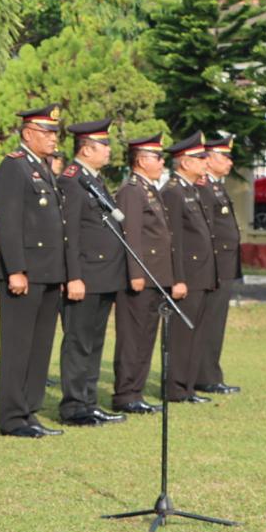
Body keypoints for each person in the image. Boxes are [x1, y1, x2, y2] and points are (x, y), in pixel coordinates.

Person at [0, 105, 66, 438]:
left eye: (55, 133)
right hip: (26, 272)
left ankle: (30, 411)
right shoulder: (14, 167)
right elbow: (9, 224)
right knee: (18, 347)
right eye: (47, 132)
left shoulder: (43, 168)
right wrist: (16, 270)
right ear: (27, 133)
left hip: (50, 271)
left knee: (40, 348)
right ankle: (11, 417)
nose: (54, 138)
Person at [56, 120, 127, 427]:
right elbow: (69, 233)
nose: (110, 150)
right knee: (78, 342)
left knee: (94, 342)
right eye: (104, 145)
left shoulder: (93, 180)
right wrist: (74, 276)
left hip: (104, 276)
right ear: (86, 148)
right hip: (84, 276)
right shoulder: (72, 180)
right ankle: (74, 406)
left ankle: (89, 401)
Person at [111, 133, 175, 415]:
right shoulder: (131, 190)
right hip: (141, 277)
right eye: (157, 157)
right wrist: (136, 273)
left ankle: (135, 391)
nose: (162, 162)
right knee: (133, 337)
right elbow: (131, 236)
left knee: (147, 335)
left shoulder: (150, 189)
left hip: (156, 277)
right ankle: (125, 393)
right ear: (141, 160)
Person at [160, 133, 216, 404]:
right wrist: (177, 278)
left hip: (202, 275)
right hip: (187, 276)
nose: (206, 161)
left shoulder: (192, 189)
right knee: (182, 335)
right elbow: (175, 241)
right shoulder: (172, 192)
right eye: (200, 157)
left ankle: (188, 387)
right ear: (184, 162)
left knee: (196, 332)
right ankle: (175, 387)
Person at [196, 135, 242, 395]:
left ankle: (209, 373)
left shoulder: (215, 186)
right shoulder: (203, 187)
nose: (229, 161)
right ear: (209, 158)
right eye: (223, 156)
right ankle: (206, 376)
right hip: (213, 266)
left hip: (224, 265)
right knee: (209, 323)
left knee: (215, 323)